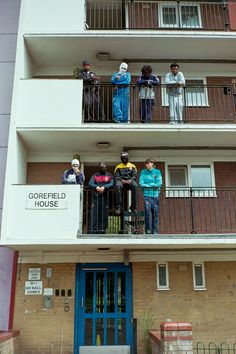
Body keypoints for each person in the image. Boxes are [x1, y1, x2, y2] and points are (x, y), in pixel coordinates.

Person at [88, 162, 114, 234]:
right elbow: (90, 183)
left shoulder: (109, 175)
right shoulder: (95, 175)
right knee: (94, 214)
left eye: (104, 166)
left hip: (105, 198)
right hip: (95, 198)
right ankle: (93, 231)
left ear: (106, 167)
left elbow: (112, 183)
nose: (102, 168)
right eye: (101, 167)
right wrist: (96, 187)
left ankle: (102, 230)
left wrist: (104, 187)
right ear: (99, 168)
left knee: (104, 215)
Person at [139, 158, 162, 235]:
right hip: (146, 195)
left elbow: (159, 183)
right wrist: (152, 185)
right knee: (147, 212)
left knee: (155, 213)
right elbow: (141, 183)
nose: (147, 164)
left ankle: (155, 230)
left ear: (152, 163)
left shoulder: (157, 172)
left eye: (148, 163)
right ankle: (147, 230)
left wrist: (148, 185)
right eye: (146, 163)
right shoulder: (143, 172)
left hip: (155, 195)